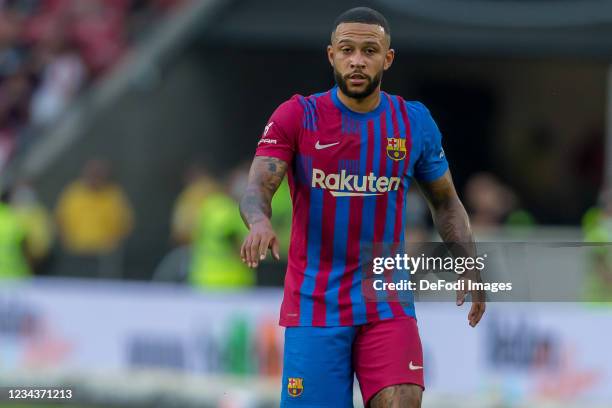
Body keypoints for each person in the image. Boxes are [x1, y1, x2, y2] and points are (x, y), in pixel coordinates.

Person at [238, 7, 485, 408]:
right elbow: (257, 187)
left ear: (387, 58)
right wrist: (259, 220)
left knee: (403, 398)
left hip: (386, 299)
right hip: (315, 303)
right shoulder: (298, 115)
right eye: (347, 49)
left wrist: (468, 265)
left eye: (370, 50)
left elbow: (447, 203)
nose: (357, 60)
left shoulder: (413, 122)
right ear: (331, 55)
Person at [55, 158, 133, 278]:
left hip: (104, 256)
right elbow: (60, 219)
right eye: (92, 174)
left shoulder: (114, 196)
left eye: (98, 174)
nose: (95, 178)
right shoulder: (73, 193)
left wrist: (113, 244)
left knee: (102, 290)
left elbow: (125, 224)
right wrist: (66, 241)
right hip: (76, 252)